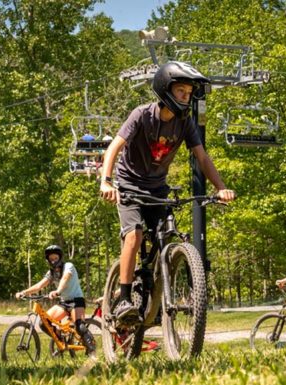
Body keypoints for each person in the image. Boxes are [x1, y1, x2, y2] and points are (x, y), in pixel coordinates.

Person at [99, 61, 236, 323]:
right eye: (181, 92)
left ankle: (157, 295)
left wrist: (221, 188)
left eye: (188, 93)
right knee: (134, 236)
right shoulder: (141, 115)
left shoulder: (185, 124)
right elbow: (114, 147)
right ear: (166, 90)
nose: (186, 97)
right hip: (129, 185)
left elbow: (202, 158)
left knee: (164, 237)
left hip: (157, 188)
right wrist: (106, 182)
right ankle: (125, 298)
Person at [15, 245, 97, 356]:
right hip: (64, 302)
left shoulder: (69, 266)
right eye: (51, 259)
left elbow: (65, 279)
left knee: (80, 327)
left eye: (55, 258)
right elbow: (39, 285)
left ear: (60, 258)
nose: (53, 261)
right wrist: (24, 292)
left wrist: (57, 291)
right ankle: (61, 340)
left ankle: (92, 351)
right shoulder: (51, 273)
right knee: (44, 322)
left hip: (76, 300)